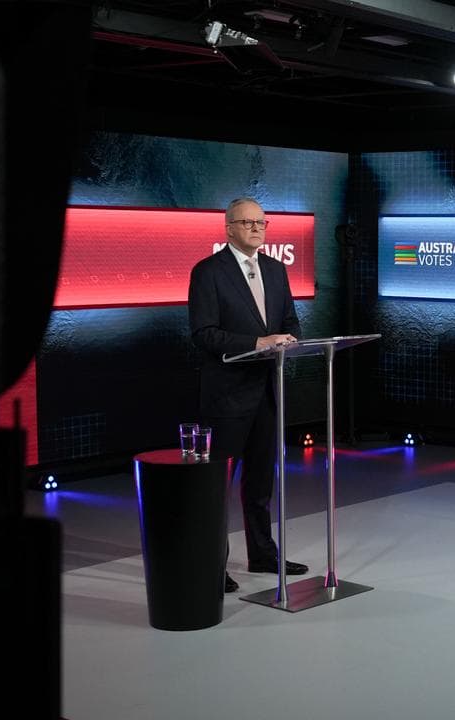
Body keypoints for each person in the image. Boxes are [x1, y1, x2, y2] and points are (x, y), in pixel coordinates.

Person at [189, 197, 309, 593]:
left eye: (262, 223)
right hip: (226, 397)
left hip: (267, 393)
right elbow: (204, 334)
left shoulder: (275, 270)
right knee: (217, 487)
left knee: (261, 482)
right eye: (248, 222)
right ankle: (210, 564)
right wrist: (258, 341)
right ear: (229, 228)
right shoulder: (208, 272)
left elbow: (290, 320)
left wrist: (290, 340)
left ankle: (263, 554)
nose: (257, 229)